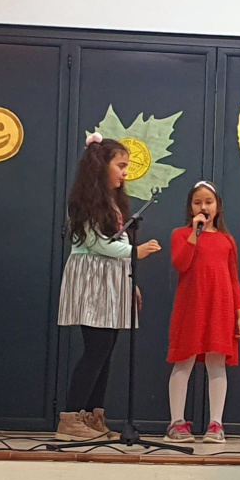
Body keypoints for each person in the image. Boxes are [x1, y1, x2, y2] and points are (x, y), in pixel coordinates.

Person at [55, 133, 162, 441]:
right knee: (96, 349)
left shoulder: (113, 203)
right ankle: (70, 418)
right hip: (93, 279)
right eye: (121, 166)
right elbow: (98, 244)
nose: (125, 173)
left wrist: (131, 281)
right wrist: (135, 253)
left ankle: (92, 416)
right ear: (101, 167)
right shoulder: (85, 203)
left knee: (105, 351)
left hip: (111, 279)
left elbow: (118, 241)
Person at [164, 181, 240, 444]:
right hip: (192, 307)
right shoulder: (181, 234)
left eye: (208, 202)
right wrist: (194, 233)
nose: (203, 207)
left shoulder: (227, 240)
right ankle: (176, 423)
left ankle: (216, 424)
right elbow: (181, 263)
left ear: (217, 206)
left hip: (220, 308)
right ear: (190, 207)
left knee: (217, 363)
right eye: (197, 202)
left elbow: (234, 279)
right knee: (184, 360)